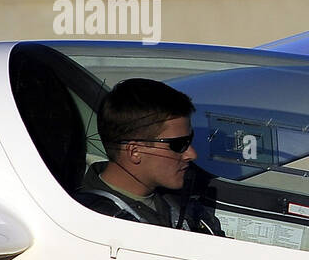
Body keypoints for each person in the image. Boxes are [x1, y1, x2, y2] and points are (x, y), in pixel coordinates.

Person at [73, 78, 217, 232]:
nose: (192, 154)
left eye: (190, 140)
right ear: (135, 152)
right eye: (178, 145)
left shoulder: (180, 202)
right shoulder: (90, 220)